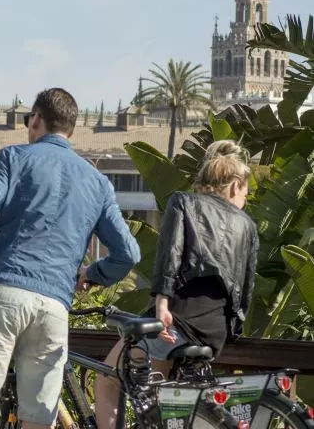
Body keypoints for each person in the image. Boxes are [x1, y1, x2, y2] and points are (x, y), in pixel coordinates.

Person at [0, 87, 141, 429]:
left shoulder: (13, 158)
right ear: (71, 128)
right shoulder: (97, 183)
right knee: (39, 417)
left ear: (37, 119)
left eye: (28, 119)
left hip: (1, 290)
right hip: (54, 304)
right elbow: (129, 253)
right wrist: (95, 274)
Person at [94, 140, 259, 429]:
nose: (244, 199)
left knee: (108, 379)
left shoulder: (183, 202)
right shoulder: (247, 224)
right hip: (215, 330)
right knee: (166, 397)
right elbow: (245, 290)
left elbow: (169, 256)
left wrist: (161, 306)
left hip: (177, 321)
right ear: (235, 186)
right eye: (245, 191)